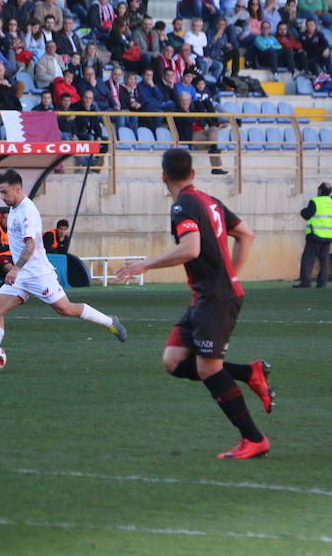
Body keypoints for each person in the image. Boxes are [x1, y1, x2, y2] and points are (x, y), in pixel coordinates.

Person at [115, 149, 273, 460]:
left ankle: (254, 439)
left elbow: (190, 248)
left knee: (207, 369)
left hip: (215, 297)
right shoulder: (208, 200)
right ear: (193, 173)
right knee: (173, 361)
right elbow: (246, 234)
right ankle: (249, 371)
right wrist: (230, 276)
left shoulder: (183, 205)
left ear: (163, 177)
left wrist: (145, 265)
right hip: (209, 295)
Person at [0, 169, 127, 368]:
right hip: (22, 275)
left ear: (18, 189)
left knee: (65, 309)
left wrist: (15, 269)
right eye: (0, 192)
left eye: (4, 192)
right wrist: (18, 271)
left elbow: (30, 245)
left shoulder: (27, 211)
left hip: (37, 274)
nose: (1, 197)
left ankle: (109, 322)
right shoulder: (14, 207)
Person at [294, 182, 332, 288]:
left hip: (315, 235)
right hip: (328, 236)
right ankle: (322, 283)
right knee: (324, 260)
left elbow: (307, 215)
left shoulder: (315, 201)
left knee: (308, 259)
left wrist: (302, 211)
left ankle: (305, 282)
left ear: (320, 191)